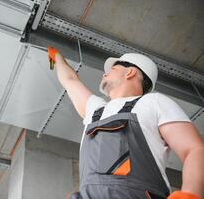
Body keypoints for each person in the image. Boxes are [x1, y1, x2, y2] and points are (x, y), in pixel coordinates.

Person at [47, 47, 204, 199]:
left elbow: (194, 149)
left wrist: (190, 194)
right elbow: (70, 80)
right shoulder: (95, 110)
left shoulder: (154, 102)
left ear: (130, 72)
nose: (104, 74)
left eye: (113, 69)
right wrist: (58, 58)